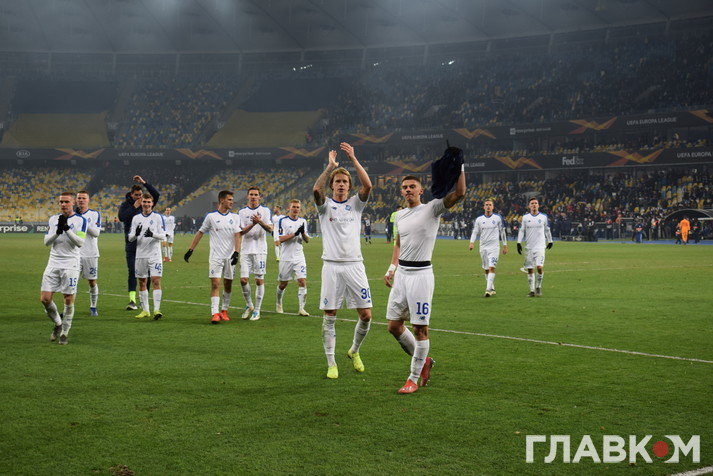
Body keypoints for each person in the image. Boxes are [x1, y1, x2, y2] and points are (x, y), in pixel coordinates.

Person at [384, 169, 466, 394]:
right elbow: (398, 243)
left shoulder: (432, 209)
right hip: (402, 275)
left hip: (421, 276)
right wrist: (392, 268)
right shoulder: (400, 215)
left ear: (421, 190)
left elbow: (459, 193)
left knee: (420, 329)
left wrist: (459, 167)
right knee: (393, 326)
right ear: (401, 191)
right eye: (405, 187)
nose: (408, 190)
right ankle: (425, 361)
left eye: (412, 187)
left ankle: (413, 378)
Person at [313, 142, 373, 379]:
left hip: (355, 266)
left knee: (366, 315)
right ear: (332, 185)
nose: (341, 184)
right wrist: (330, 166)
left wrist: (354, 159)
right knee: (330, 317)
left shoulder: (355, 204)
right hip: (332, 267)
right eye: (337, 181)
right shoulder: (325, 206)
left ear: (349, 186)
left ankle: (354, 350)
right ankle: (331, 363)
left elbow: (368, 186)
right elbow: (316, 190)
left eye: (344, 181)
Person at [184, 190, 242, 324]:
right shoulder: (211, 217)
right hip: (216, 256)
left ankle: (224, 310)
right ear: (222, 200)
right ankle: (215, 313)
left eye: (232, 200)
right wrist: (190, 249)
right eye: (229, 199)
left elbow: (237, 235)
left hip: (230, 256)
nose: (232, 202)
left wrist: (236, 252)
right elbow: (200, 232)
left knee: (228, 284)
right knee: (215, 284)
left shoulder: (235, 217)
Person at [40, 192, 86, 345]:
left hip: (71, 263)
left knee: (68, 299)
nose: (63, 204)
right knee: (45, 299)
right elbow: (46, 242)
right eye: (61, 202)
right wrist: (57, 232)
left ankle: (65, 332)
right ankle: (58, 323)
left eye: (66, 202)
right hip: (53, 262)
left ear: (73, 203)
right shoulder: (53, 219)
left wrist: (67, 229)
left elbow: (80, 242)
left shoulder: (80, 220)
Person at [118, 175, 159, 310]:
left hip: (146, 246)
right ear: (131, 195)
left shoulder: (145, 205)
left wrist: (144, 182)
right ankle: (132, 300)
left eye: (140, 195)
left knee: (146, 274)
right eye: (136, 195)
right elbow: (122, 217)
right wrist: (133, 207)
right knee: (132, 272)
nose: (139, 198)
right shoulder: (126, 205)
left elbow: (156, 194)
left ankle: (143, 301)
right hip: (131, 244)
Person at [127, 193, 166, 319]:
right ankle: (145, 310)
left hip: (155, 255)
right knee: (142, 282)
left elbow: (163, 235)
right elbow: (130, 238)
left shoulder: (158, 217)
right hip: (140, 255)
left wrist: (153, 234)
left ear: (152, 203)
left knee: (156, 281)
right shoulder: (136, 218)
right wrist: (136, 234)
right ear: (141, 203)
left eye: (149, 202)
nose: (146, 204)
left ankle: (157, 310)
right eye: (144, 202)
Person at [237, 187, 273, 321]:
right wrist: (253, 224)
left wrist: (260, 221)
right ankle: (249, 305)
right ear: (247, 196)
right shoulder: (242, 212)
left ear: (259, 197)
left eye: (256, 195)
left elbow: (270, 229)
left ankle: (257, 310)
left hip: (260, 250)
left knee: (259, 280)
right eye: (251, 194)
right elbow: (240, 232)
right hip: (246, 249)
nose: (253, 197)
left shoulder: (265, 211)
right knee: (243, 280)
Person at [275, 199, 310, 316]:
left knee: (302, 281)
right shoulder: (283, 221)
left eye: (298, 207)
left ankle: (301, 308)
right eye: (293, 207)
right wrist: (295, 234)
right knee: (283, 284)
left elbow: (307, 240)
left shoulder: (303, 221)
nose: (296, 209)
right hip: (286, 257)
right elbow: (280, 239)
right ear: (289, 208)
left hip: (299, 257)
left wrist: (302, 233)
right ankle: (278, 302)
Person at [468, 198, 508, 297]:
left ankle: (488, 290)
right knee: (486, 269)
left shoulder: (497, 218)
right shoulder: (479, 219)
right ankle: (492, 287)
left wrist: (505, 245)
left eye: (490, 205)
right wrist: (471, 242)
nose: (488, 206)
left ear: (493, 207)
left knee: (491, 267)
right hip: (483, 247)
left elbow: (502, 232)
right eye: (486, 205)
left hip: (494, 247)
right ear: (484, 207)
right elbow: (475, 232)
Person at [517, 197, 553, 297]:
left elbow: (547, 229)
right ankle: (532, 290)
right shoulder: (525, 218)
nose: (534, 205)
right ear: (529, 206)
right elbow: (522, 230)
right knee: (530, 269)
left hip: (540, 247)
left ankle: (538, 286)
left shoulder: (543, 217)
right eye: (532, 203)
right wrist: (518, 243)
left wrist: (550, 240)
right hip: (529, 247)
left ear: (538, 205)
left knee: (539, 267)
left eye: (535, 203)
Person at [75, 190, 101, 316]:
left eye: (83, 198)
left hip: (90, 253)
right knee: (72, 282)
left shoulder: (94, 214)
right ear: (76, 200)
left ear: (88, 200)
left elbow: (96, 233)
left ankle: (93, 307)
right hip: (75, 254)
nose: (81, 200)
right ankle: (68, 308)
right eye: (79, 198)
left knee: (92, 282)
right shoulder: (71, 215)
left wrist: (82, 220)